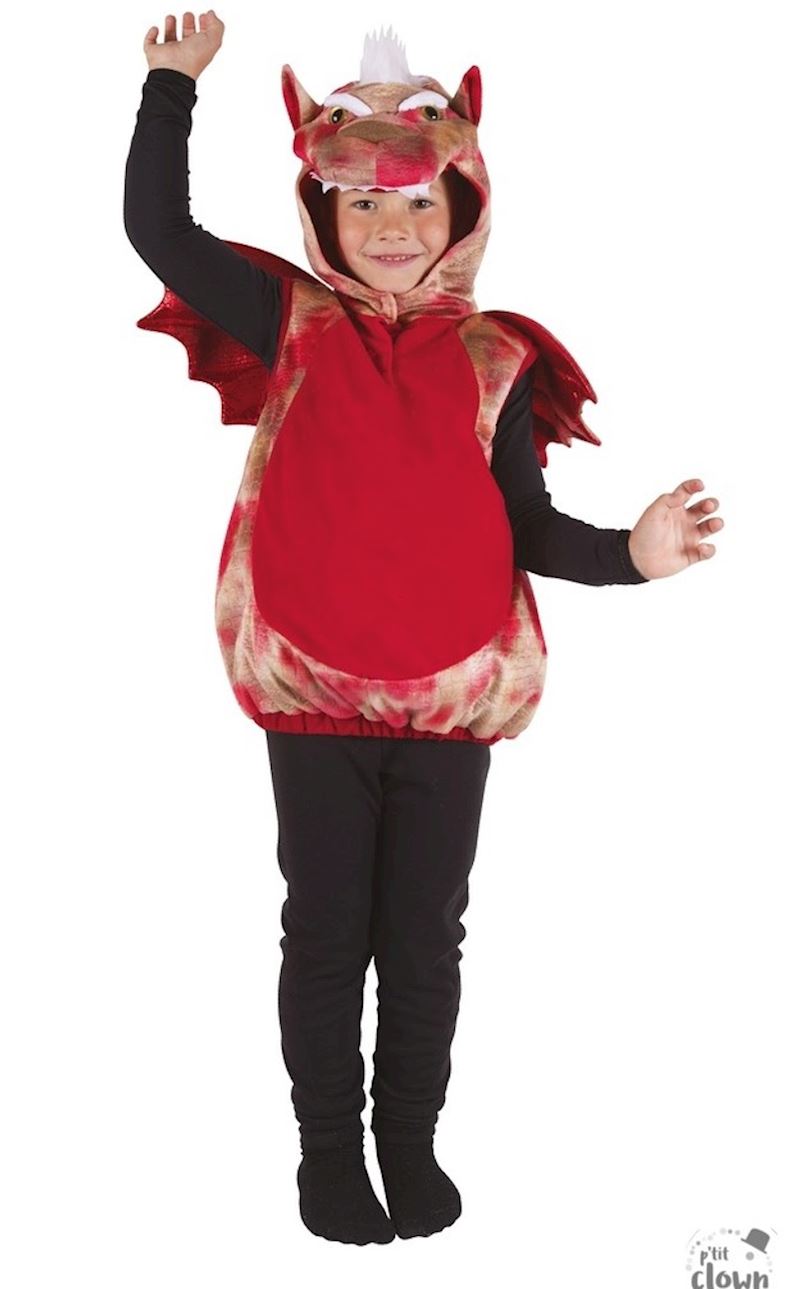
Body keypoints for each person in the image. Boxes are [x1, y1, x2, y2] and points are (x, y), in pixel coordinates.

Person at [124, 13, 724, 1246]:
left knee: (423, 939)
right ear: (321, 213)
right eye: (359, 204)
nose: (388, 227)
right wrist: (171, 91)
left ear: (461, 209)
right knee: (324, 930)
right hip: (315, 689)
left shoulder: (497, 355)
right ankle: (327, 1152)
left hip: (451, 697)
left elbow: (525, 527)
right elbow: (160, 233)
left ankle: (408, 1138)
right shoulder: (288, 319)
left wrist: (630, 553)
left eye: (412, 202)